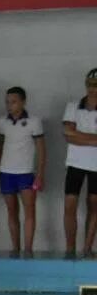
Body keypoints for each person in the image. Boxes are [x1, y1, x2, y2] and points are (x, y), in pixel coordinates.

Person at [0, 86, 46, 258]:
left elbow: (42, 150)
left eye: (13, 102)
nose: (10, 105)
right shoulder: (2, 121)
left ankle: (28, 250)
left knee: (29, 211)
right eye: (7, 102)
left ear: (23, 101)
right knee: (11, 211)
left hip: (26, 172)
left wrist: (40, 174)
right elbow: (1, 144)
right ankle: (15, 249)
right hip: (6, 171)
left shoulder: (34, 121)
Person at [61, 68, 97, 259]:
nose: (93, 89)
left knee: (94, 206)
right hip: (75, 163)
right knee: (69, 205)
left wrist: (79, 136)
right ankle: (69, 249)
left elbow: (74, 135)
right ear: (86, 85)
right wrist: (94, 140)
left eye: (96, 86)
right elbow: (68, 135)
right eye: (90, 85)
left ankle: (87, 248)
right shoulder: (73, 106)